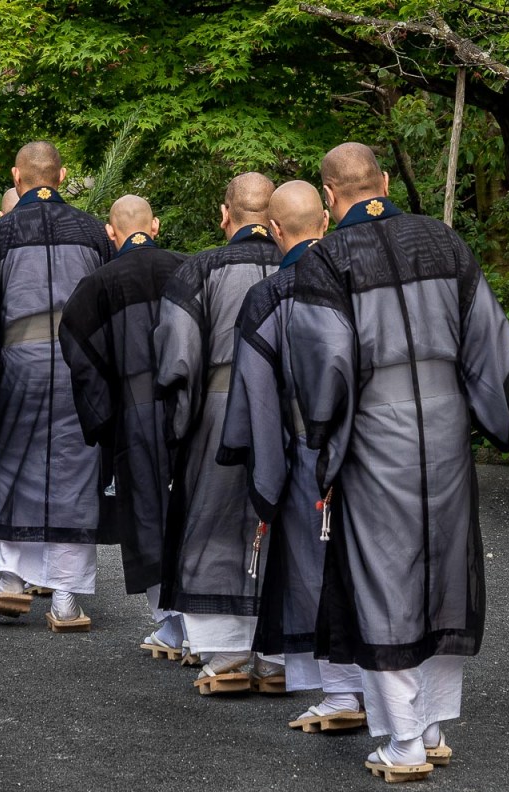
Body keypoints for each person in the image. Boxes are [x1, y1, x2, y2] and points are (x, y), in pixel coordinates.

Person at [286, 143, 509, 782]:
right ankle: (435, 725)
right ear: (385, 182)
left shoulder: (327, 260)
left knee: (381, 573)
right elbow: (492, 343)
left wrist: (323, 442)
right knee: (445, 567)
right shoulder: (445, 243)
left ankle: (405, 742)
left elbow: (325, 363)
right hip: (444, 427)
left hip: (373, 431)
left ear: (329, 198)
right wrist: (481, 416)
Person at [218, 180, 365, 727]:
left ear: (276, 230)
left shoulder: (270, 295)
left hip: (307, 443)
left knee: (311, 563)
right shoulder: (356, 276)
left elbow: (256, 394)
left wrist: (260, 472)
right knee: (366, 561)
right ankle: (380, 683)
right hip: (370, 442)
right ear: (325, 221)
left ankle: (339, 691)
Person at [0, 141, 113, 631]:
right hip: (79, 368)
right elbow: (110, 311)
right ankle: (66, 599)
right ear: (62, 176)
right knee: (75, 472)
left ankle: (10, 581)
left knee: (8, 466)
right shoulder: (94, 233)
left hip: (16, 368)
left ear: (16, 177)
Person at [153, 172, 282, 691]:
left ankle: (226, 655)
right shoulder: (300, 266)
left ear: (225, 214)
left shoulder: (200, 269)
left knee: (212, 516)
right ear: (274, 218)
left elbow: (178, 357)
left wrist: (178, 427)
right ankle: (276, 657)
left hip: (220, 403)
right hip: (286, 411)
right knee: (276, 520)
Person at [58, 195, 187, 658]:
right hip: (189, 407)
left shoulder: (98, 283)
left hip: (134, 412)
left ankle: (171, 626)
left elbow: (77, 350)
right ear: (155, 225)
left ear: (111, 234)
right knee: (192, 509)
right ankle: (207, 625)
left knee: (146, 512)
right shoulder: (191, 270)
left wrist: (103, 418)